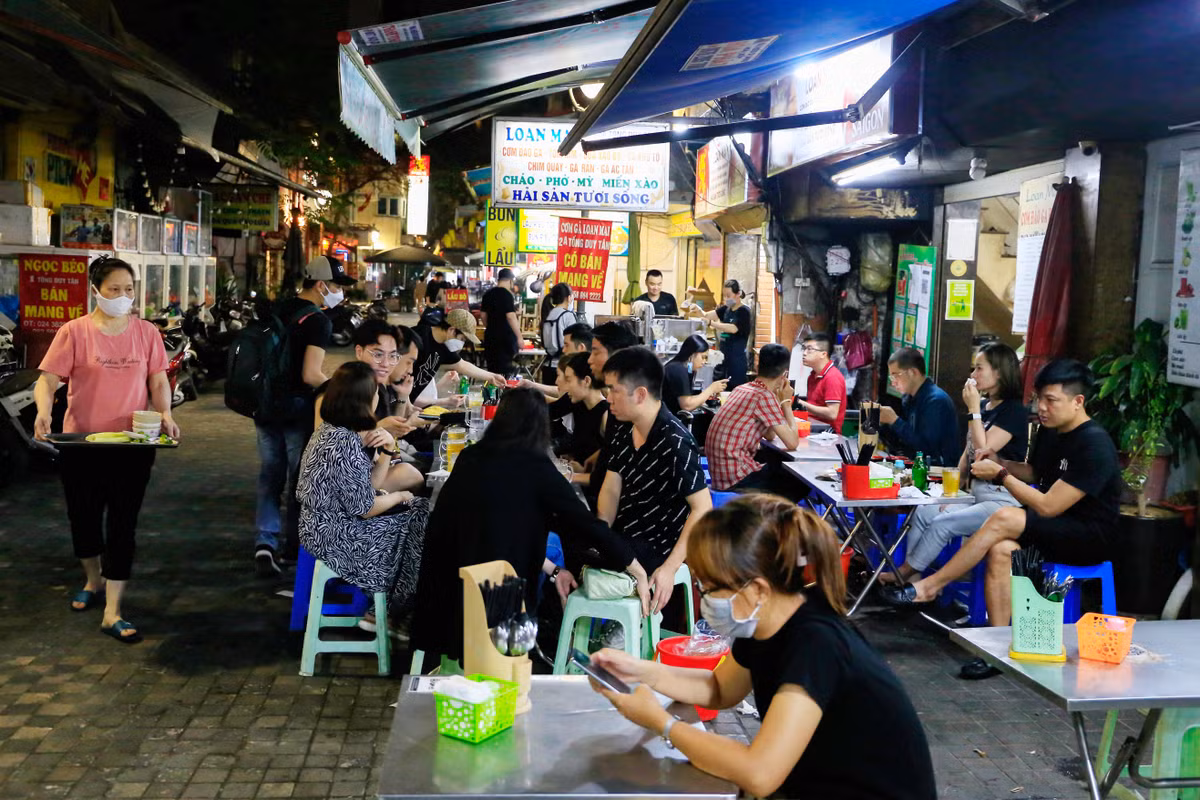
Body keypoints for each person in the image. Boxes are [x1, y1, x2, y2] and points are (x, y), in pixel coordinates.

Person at [588, 494, 937, 800]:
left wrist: (662, 723)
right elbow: (719, 688)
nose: (704, 600)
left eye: (710, 589)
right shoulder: (768, 620)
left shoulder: (816, 642)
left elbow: (760, 773)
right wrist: (642, 671)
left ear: (756, 589)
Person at [882, 359, 1122, 677]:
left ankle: (930, 586)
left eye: (1052, 400)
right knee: (1000, 551)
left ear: (1078, 401)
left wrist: (1002, 475)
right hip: (1053, 529)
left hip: (1088, 537)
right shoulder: (1052, 432)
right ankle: (1000, 651)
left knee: (1003, 516)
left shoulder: (1094, 444)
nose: (1043, 407)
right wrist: (998, 461)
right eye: (1039, 399)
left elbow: (1049, 506)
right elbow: (1036, 473)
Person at [411, 387, 649, 661]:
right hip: (499, 598)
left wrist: (554, 570)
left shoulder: (470, 456)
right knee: (511, 661)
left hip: (447, 592)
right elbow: (586, 524)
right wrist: (635, 568)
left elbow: (497, 535)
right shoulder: (537, 468)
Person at [33, 256, 181, 644]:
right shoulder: (74, 332)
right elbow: (48, 381)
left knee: (122, 521)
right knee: (83, 516)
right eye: (114, 289)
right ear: (96, 291)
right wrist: (45, 411)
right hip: (81, 442)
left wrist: (164, 413)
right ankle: (92, 579)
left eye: (128, 290)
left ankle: (113, 609)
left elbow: (158, 380)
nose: (122, 296)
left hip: (132, 443)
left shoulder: (147, 332)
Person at [296, 362, 431, 638]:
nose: (379, 396)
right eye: (375, 392)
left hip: (330, 524)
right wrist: (400, 496)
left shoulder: (339, 430)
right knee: (422, 520)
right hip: (333, 534)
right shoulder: (342, 440)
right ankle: (391, 611)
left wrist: (386, 450)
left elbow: (369, 487)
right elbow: (366, 507)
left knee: (418, 512)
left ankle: (391, 610)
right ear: (366, 399)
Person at [880, 343, 1028, 586]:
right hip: (975, 494)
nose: (973, 375)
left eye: (979, 368)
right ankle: (913, 580)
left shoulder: (1013, 412)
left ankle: (904, 576)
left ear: (1000, 372)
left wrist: (972, 409)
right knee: (925, 511)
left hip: (1001, 499)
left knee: (943, 524)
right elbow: (968, 452)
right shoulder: (983, 407)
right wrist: (953, 492)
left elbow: (983, 453)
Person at [254, 255, 354, 576]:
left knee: (270, 474)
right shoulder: (317, 321)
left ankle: (264, 541)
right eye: (337, 285)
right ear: (322, 285)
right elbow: (311, 374)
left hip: (265, 405)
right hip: (296, 409)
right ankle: (293, 548)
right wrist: (341, 388)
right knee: (300, 479)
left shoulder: (277, 308)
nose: (340, 292)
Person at [599, 347, 712, 614]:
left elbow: (703, 508)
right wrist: (602, 533)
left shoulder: (675, 440)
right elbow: (611, 490)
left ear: (640, 394)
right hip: (628, 542)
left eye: (614, 390)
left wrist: (669, 569)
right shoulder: (624, 430)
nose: (608, 398)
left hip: (661, 551)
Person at [314, 319, 424, 493]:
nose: (386, 364)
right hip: (331, 489)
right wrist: (379, 427)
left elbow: (388, 442)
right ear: (359, 352)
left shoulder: (379, 389)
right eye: (378, 354)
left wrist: (403, 397)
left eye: (393, 356)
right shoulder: (334, 391)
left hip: (364, 477)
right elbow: (324, 450)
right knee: (410, 476)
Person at [706, 343, 801, 495]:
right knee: (800, 478)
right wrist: (786, 403)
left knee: (775, 462)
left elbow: (770, 435)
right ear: (785, 374)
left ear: (757, 366)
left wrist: (777, 397)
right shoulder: (763, 396)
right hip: (736, 478)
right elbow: (792, 442)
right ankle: (771, 516)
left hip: (721, 475)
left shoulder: (741, 388)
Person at [880, 347, 960, 467]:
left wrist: (895, 421)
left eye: (896, 376)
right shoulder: (910, 398)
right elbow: (906, 439)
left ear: (914, 372)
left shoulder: (936, 400)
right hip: (917, 466)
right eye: (891, 378)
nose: (893, 382)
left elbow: (926, 447)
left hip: (938, 473)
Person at [410, 307, 504, 404]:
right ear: (451, 330)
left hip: (413, 405)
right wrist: (445, 401)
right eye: (462, 339)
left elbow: (461, 365)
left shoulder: (444, 345)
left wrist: (491, 376)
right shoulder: (418, 338)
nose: (462, 344)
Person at [554, 353, 609, 489]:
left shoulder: (605, 414)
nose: (564, 386)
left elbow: (608, 468)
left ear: (586, 381)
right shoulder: (579, 404)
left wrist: (583, 470)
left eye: (568, 380)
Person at [703, 279, 752, 389]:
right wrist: (697, 310)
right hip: (723, 358)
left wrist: (712, 323)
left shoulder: (744, 311)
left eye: (728, 296)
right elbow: (707, 315)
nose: (725, 299)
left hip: (736, 361)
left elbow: (734, 328)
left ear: (738, 294)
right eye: (724, 295)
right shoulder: (726, 309)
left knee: (734, 391)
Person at [662, 333, 728, 416]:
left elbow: (688, 398)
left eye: (706, 358)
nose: (704, 362)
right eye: (703, 357)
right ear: (692, 355)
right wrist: (711, 389)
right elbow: (687, 405)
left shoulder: (687, 368)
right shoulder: (678, 370)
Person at [795, 333, 846, 433]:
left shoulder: (832, 377)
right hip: (812, 428)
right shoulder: (812, 376)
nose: (804, 353)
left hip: (827, 436)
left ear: (823, 354)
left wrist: (800, 403)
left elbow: (832, 413)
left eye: (809, 349)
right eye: (804, 348)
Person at [480, 267, 525, 375]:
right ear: (510, 281)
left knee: (492, 371)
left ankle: (492, 391)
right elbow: (511, 317)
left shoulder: (488, 294)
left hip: (490, 337)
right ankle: (503, 391)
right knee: (504, 371)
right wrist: (519, 337)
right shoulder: (507, 295)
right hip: (505, 339)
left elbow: (483, 315)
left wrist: (491, 326)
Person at [540, 282, 579, 385]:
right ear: (569, 297)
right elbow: (574, 342)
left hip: (548, 366)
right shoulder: (567, 315)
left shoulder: (549, 314)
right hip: (563, 368)